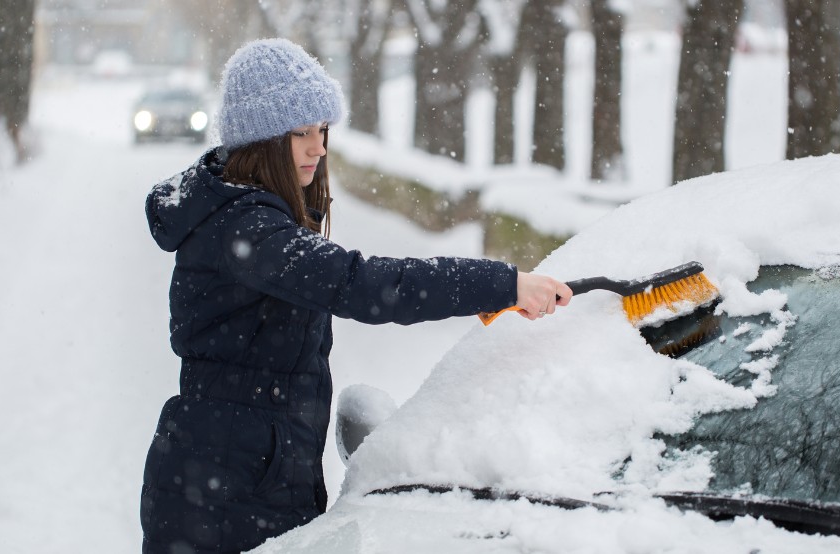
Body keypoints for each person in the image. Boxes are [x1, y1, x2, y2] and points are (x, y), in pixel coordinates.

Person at [139, 38, 572, 554]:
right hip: (223, 493)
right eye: (301, 132)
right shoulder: (247, 229)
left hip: (242, 472)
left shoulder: (246, 215)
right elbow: (363, 285)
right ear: (260, 141)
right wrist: (501, 283)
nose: (318, 148)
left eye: (322, 130)